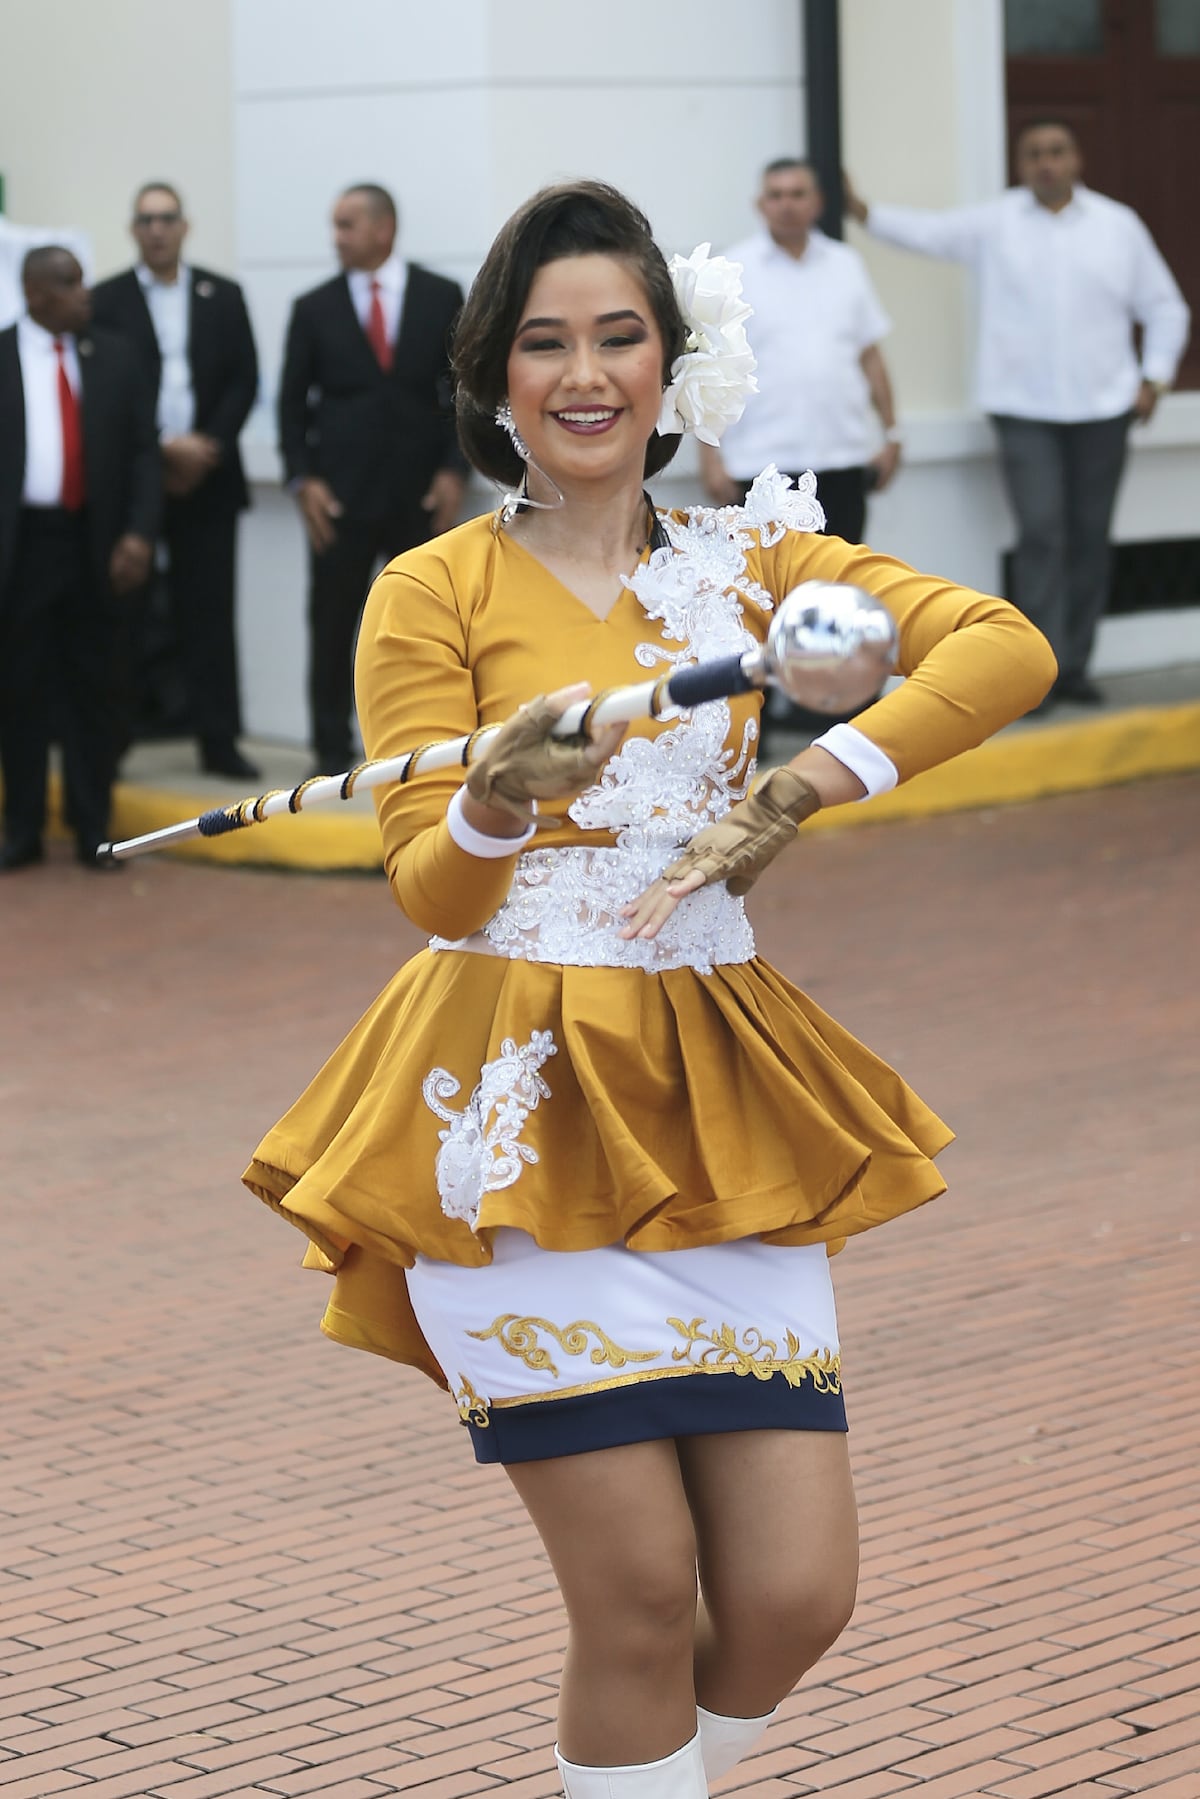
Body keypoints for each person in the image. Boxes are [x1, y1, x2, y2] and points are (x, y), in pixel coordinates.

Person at [244, 183, 1055, 1799]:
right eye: (544, 342)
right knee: (630, 1598)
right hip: (513, 1101)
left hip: (714, 1087)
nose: (586, 372)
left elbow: (1002, 646)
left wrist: (810, 779)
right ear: (492, 378)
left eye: (620, 334)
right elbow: (429, 884)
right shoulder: (431, 589)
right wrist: (500, 792)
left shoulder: (763, 565)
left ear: (675, 363)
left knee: (792, 1593)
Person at [845, 120, 1191, 708]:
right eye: (1034, 155)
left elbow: (1165, 308)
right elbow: (928, 232)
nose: (1046, 163)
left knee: (1088, 538)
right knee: (1041, 534)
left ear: (1076, 159)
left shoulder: (1117, 226)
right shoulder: (994, 223)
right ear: (1021, 164)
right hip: (1022, 410)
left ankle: (1075, 666)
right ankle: (1038, 673)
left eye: (1056, 152)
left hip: (1105, 409)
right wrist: (862, 210)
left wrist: (1154, 379)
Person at [278, 183, 467, 773]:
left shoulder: (441, 296)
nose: (337, 237)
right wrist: (301, 480)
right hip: (340, 497)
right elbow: (290, 404)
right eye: (335, 226)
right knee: (333, 622)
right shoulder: (314, 307)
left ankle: (423, 748)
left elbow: (460, 390)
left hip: (419, 497)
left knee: (423, 626)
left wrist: (454, 470)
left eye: (347, 225)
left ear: (384, 229)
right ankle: (330, 754)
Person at [91, 182, 261, 779]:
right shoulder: (104, 299)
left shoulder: (223, 293)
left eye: (167, 218)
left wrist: (206, 448)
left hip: (209, 477)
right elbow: (103, 392)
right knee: (122, 610)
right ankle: (110, 742)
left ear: (184, 227)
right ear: (133, 229)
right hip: (135, 477)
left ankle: (219, 741)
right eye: (146, 219)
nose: (157, 229)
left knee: (209, 611)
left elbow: (245, 379)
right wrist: (161, 449)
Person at [0, 247, 159, 871]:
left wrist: (139, 535)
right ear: (35, 293)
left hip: (98, 544)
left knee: (98, 688)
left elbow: (145, 454)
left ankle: (94, 827)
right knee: (22, 690)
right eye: (68, 285)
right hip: (24, 550)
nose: (83, 294)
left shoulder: (115, 356)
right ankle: (23, 828)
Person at [702, 158, 901, 545]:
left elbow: (870, 356)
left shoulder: (846, 264)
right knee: (770, 592)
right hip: (761, 464)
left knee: (840, 587)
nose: (787, 205)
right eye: (776, 195)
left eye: (797, 194)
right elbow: (711, 366)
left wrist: (893, 435)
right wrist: (710, 459)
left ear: (818, 202)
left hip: (842, 458)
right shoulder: (733, 270)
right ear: (761, 205)